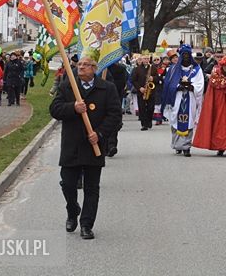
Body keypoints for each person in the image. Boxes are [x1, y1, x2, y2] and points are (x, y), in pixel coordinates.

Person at [50, 53, 122, 240]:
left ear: (94, 69)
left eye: (86, 65)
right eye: (79, 64)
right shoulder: (68, 87)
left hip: (93, 146)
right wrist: (73, 108)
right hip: (71, 145)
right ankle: (72, 210)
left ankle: (86, 224)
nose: (81, 67)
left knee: (91, 188)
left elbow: (115, 116)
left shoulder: (107, 89)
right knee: (67, 183)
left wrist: (99, 134)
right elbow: (55, 110)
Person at [162, 45, 204, 156]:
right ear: (181, 56)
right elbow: (168, 84)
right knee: (175, 119)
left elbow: (200, 84)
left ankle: (186, 147)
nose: (185, 57)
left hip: (190, 97)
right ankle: (177, 145)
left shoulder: (196, 69)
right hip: (177, 98)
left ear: (190, 56)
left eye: (187, 55)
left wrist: (192, 87)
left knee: (189, 120)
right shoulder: (173, 69)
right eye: (183, 55)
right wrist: (177, 87)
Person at [131, 51, 160, 131]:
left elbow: (158, 79)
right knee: (142, 108)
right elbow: (133, 80)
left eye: (147, 58)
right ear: (141, 59)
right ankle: (144, 124)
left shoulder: (153, 68)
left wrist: (153, 78)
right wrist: (139, 88)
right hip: (141, 91)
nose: (146, 60)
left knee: (151, 108)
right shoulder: (136, 69)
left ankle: (149, 121)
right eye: (144, 58)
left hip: (151, 91)